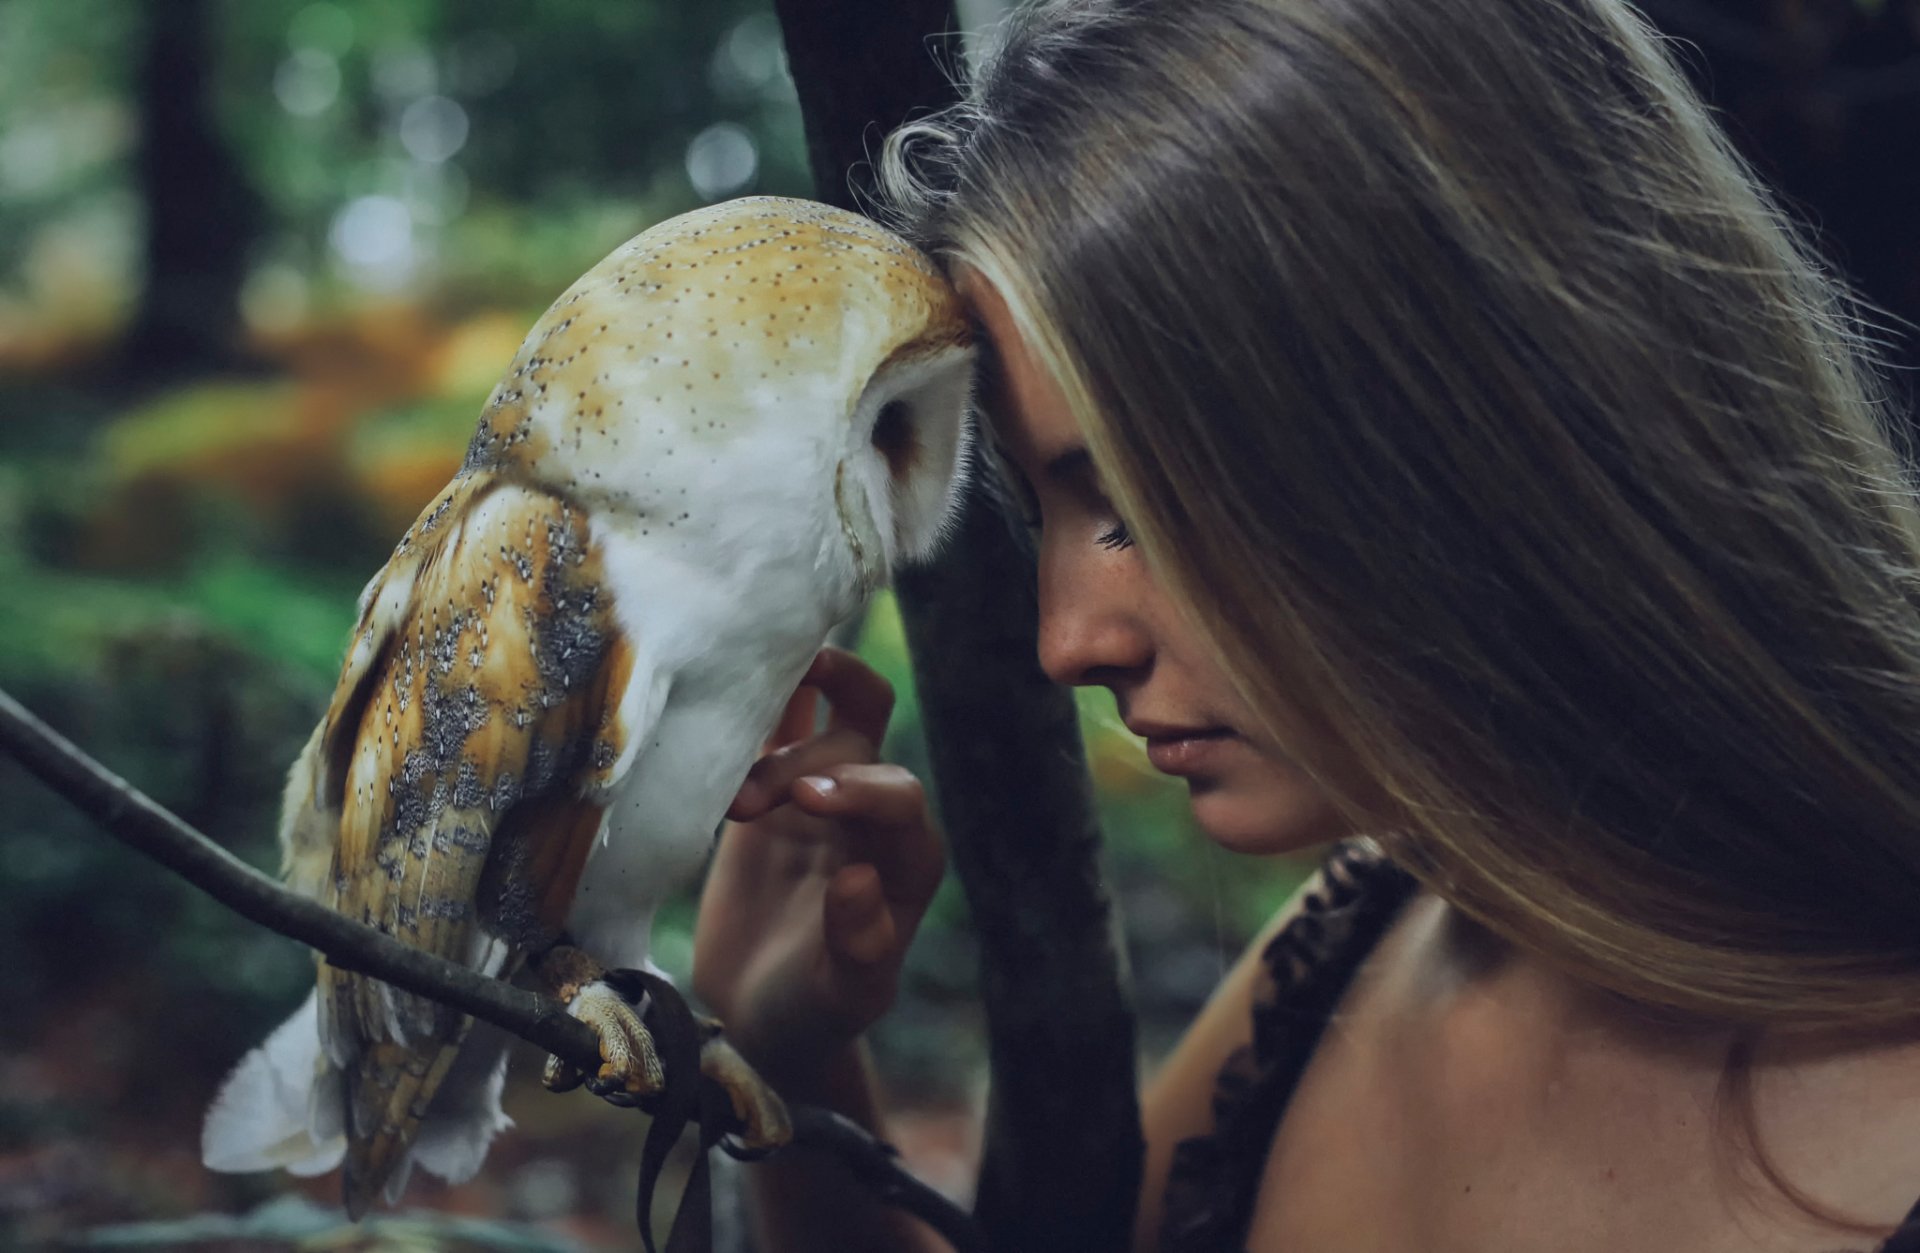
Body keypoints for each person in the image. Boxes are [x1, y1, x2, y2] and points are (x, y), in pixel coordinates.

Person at [691, 0, 1920, 1248]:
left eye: (1136, 496)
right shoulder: (1368, 939)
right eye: (1048, 508)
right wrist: (784, 1057)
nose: (1070, 643)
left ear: (1480, 426)